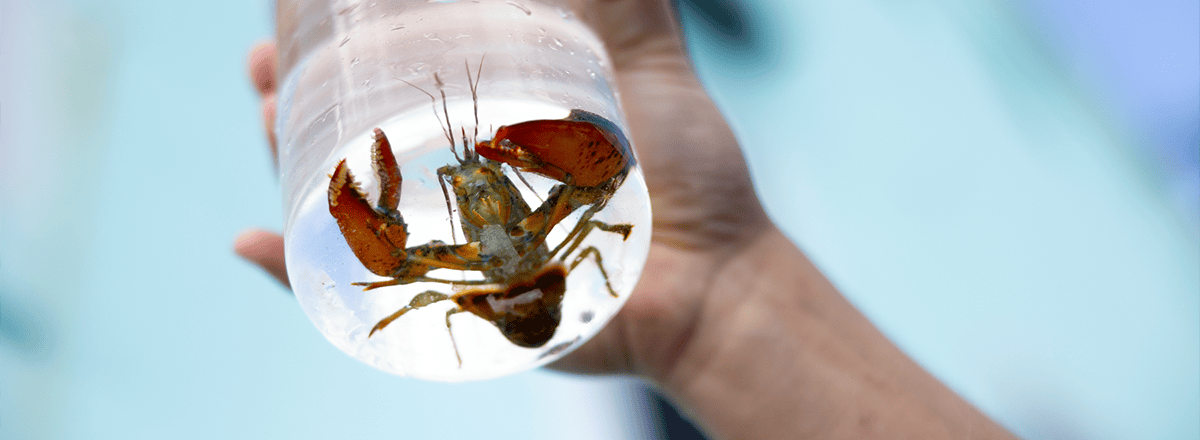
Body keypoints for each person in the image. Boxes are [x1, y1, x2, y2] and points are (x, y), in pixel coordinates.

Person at [235, 0, 1018, 438]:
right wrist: (719, 297)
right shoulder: (559, 221)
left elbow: (401, 267)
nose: (477, 176)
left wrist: (718, 293)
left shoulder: (473, 254)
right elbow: (592, 186)